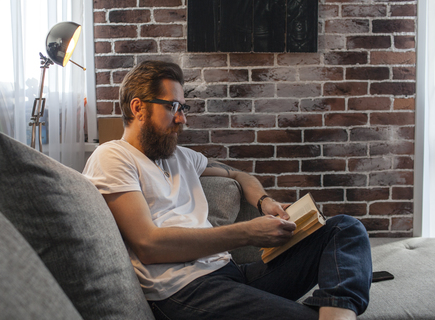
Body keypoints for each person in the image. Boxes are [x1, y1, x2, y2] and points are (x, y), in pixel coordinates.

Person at [83, 60, 372, 320]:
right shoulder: (113, 156)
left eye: (183, 108)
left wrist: (264, 201)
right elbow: (149, 245)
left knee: (345, 228)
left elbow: (237, 174)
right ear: (138, 108)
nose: (183, 118)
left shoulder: (180, 157)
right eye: (173, 107)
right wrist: (248, 232)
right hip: (184, 292)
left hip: (231, 275)